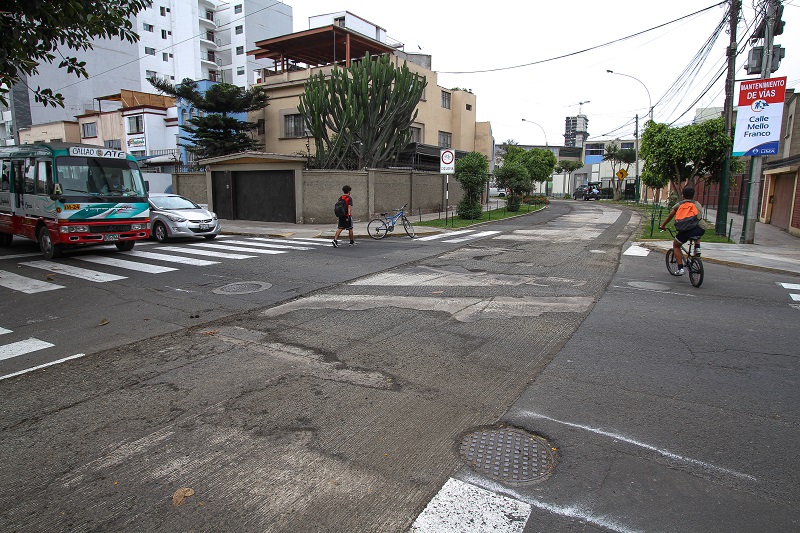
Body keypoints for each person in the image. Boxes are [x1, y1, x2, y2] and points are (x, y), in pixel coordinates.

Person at [659, 185, 705, 275]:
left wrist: (663, 225)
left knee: (676, 246)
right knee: (698, 230)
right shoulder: (698, 204)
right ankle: (697, 248)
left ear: (683, 196)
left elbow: (670, 216)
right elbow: (698, 218)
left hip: (685, 231)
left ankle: (680, 269)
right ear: (693, 195)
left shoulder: (680, 204)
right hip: (700, 229)